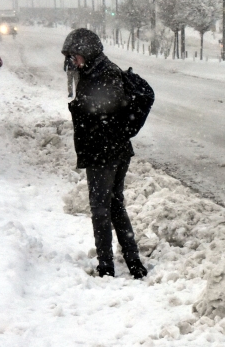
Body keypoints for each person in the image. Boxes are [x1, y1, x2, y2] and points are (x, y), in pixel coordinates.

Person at [61, 28, 148, 279]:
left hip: (105, 154)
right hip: (113, 150)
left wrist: (82, 111)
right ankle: (133, 263)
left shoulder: (103, 74)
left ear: (87, 51)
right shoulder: (98, 70)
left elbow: (104, 114)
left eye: (74, 55)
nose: (72, 61)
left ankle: (107, 266)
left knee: (101, 209)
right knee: (115, 205)